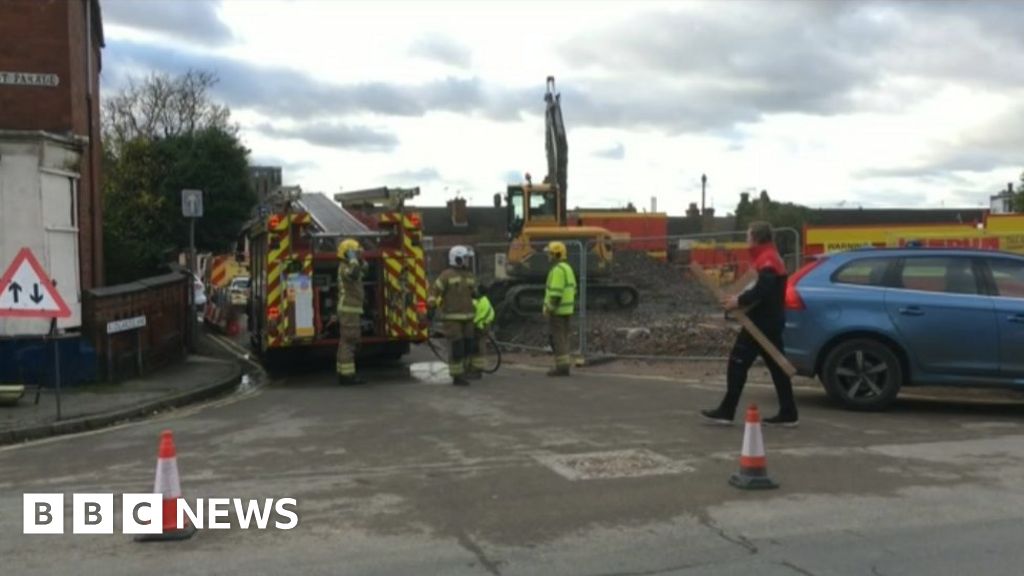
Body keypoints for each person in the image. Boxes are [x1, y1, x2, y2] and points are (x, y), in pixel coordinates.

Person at [702, 222, 799, 426]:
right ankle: (789, 413)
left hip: (761, 323)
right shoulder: (769, 256)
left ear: (755, 237)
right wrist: (739, 297)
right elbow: (759, 287)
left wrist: (739, 301)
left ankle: (727, 411)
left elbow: (764, 288)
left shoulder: (767, 259)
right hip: (769, 321)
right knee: (777, 367)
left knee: (737, 362)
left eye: (748, 236)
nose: (746, 240)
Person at [429, 245, 478, 386]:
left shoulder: (468, 275)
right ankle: (457, 376)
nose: (467, 261)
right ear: (456, 258)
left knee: (468, 345)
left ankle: (466, 370)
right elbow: (434, 292)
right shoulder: (446, 275)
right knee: (457, 347)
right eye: (465, 258)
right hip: (452, 318)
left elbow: (474, 293)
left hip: (468, 317)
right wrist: (431, 306)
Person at [335, 238, 367, 385]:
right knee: (349, 341)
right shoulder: (345, 267)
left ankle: (344, 373)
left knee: (345, 342)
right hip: (349, 310)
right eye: (356, 251)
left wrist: (360, 260)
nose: (359, 253)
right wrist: (353, 258)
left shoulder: (348, 266)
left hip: (350, 310)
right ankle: (348, 376)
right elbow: (354, 274)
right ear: (348, 254)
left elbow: (362, 271)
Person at [543, 241, 576, 377]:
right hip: (567, 310)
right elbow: (573, 290)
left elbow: (555, 294)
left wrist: (549, 309)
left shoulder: (557, 270)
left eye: (550, 253)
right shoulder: (567, 268)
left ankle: (561, 368)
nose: (548, 256)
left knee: (558, 339)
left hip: (557, 311)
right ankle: (564, 365)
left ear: (555, 254)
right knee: (564, 338)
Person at [469, 284, 496, 379]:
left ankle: (477, 370)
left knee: (478, 348)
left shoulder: (481, 302)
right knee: (479, 347)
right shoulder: (481, 300)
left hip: (481, 326)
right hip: (483, 325)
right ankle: (476, 369)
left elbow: (478, 317)